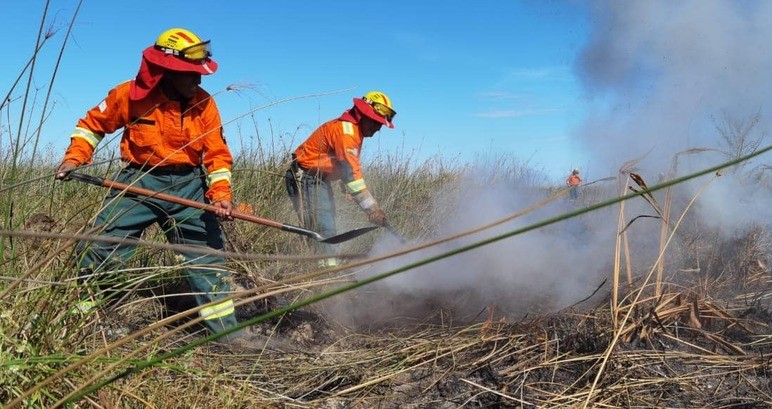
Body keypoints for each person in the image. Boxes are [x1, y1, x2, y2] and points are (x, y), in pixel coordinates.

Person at [54, 28, 240, 339]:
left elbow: (217, 154)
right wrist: (75, 158)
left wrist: (221, 193)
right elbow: (92, 126)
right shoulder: (127, 95)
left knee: (208, 260)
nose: (198, 80)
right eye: (190, 73)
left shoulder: (205, 103)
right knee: (101, 248)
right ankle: (82, 323)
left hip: (189, 187)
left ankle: (228, 337)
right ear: (167, 70)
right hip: (137, 183)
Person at [286, 91, 396, 267]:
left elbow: (344, 165)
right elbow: (352, 175)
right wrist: (372, 209)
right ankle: (326, 272)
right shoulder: (346, 133)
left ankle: (323, 265)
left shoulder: (353, 130)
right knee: (324, 226)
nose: (378, 128)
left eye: (380, 124)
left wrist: (346, 185)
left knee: (325, 224)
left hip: (318, 178)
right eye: (375, 122)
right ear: (361, 115)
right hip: (306, 177)